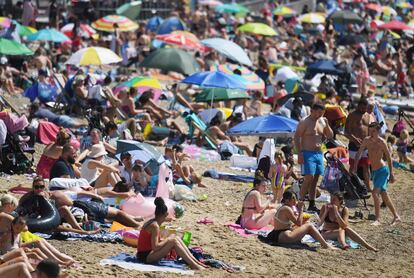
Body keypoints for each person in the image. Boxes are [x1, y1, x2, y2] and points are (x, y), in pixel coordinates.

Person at [352, 122, 401, 226]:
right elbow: (359, 153)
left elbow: (389, 158)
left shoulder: (381, 142)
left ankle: (377, 219)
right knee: (385, 195)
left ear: (377, 131)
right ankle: (396, 216)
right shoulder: (366, 140)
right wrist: (355, 166)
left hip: (383, 170)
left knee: (374, 193)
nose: (371, 132)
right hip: (374, 171)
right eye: (370, 130)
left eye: (373, 130)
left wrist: (392, 174)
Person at [136, 197, 205, 270]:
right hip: (145, 257)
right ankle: (193, 264)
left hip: (147, 254)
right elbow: (155, 247)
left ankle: (195, 262)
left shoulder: (153, 222)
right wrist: (168, 239)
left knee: (176, 238)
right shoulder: (154, 226)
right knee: (173, 241)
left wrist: (168, 238)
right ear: (165, 214)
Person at [294, 103, 333, 212]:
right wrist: (300, 153)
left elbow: (330, 136)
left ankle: (312, 203)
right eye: (319, 112)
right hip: (307, 152)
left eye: (322, 113)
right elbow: (297, 137)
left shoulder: (322, 121)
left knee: (315, 179)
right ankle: (300, 202)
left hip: (319, 153)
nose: (321, 115)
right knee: (309, 177)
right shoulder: (304, 122)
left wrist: (327, 124)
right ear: (313, 110)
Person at [265, 191, 337, 249]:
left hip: (278, 235)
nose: (295, 200)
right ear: (287, 200)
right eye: (293, 198)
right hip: (284, 236)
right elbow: (298, 223)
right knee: (309, 226)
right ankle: (325, 245)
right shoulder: (287, 209)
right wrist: (301, 209)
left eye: (295, 198)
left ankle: (323, 242)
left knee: (307, 225)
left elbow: (295, 224)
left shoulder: (284, 207)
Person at [345, 97, 373, 191]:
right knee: (353, 166)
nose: (363, 110)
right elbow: (346, 132)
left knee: (366, 166)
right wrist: (355, 139)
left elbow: (370, 130)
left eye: (365, 108)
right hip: (354, 145)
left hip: (365, 146)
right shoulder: (352, 115)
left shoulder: (368, 116)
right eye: (362, 108)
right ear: (358, 106)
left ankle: (368, 187)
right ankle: (350, 185)